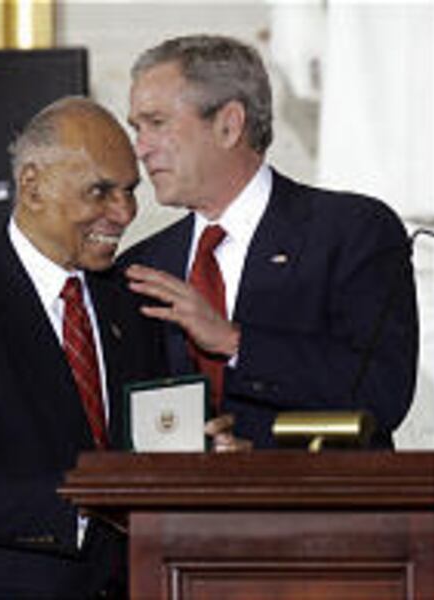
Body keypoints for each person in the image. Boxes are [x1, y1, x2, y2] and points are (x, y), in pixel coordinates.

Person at [0, 97, 166, 598]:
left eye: (129, 191)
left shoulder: (133, 302)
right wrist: (82, 505)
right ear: (33, 186)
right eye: (100, 192)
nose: (124, 212)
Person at [121, 34, 418, 448]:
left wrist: (233, 341)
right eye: (137, 128)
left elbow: (381, 392)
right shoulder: (142, 266)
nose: (141, 148)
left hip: (322, 510)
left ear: (229, 125)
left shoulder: (352, 231)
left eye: (156, 123)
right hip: (177, 511)